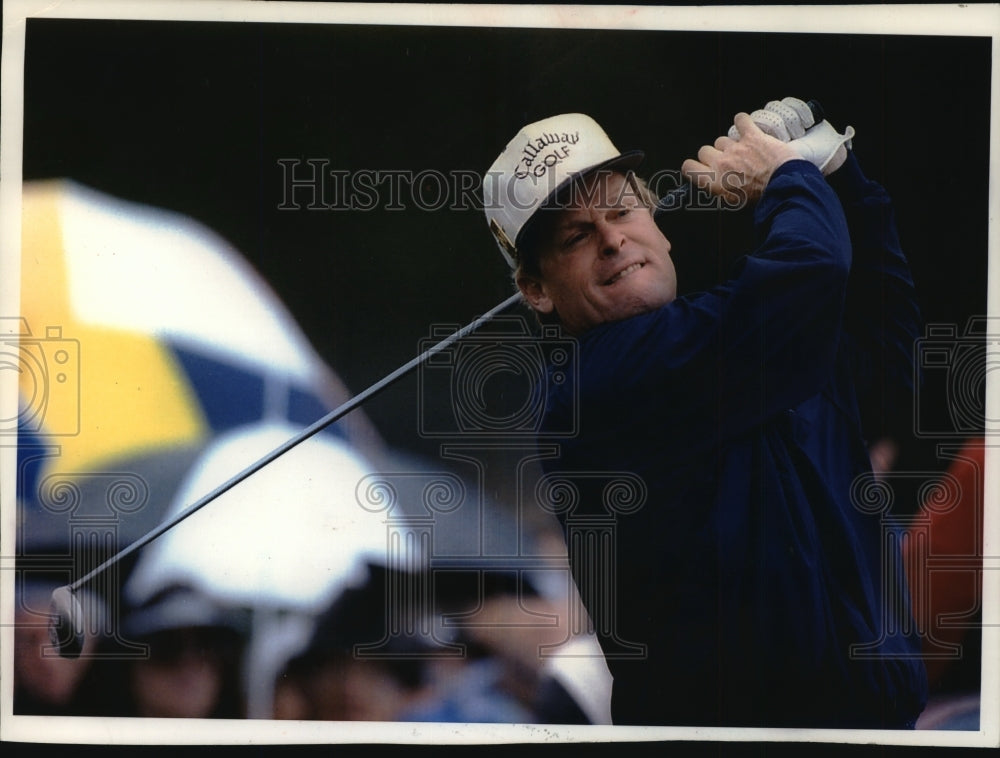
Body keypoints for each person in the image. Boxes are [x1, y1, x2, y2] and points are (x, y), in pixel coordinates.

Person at [480, 99, 928, 728]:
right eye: (575, 237)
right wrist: (787, 178)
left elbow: (888, 352)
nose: (612, 240)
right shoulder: (597, 383)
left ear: (656, 219)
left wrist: (839, 174)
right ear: (536, 290)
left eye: (621, 210)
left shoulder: (743, 348)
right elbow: (811, 270)